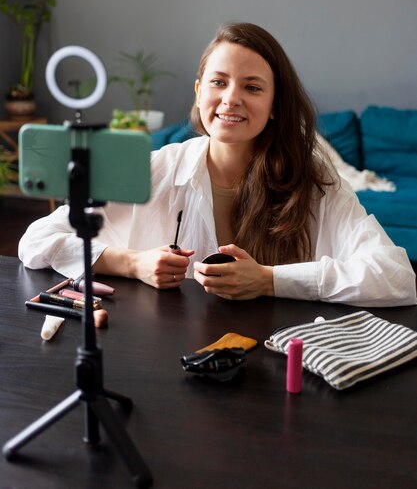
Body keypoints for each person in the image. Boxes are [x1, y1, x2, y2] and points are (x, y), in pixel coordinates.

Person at [19, 22, 416, 306]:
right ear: (198, 91)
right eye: (218, 81)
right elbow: (36, 241)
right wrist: (134, 263)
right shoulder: (158, 168)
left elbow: (396, 277)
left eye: (253, 87)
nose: (231, 99)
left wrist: (269, 280)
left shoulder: (312, 178)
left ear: (276, 105)